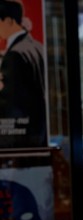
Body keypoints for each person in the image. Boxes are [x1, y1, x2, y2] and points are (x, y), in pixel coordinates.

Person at [0, 0, 47, 148]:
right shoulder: (38, 47)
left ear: (8, 21)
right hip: (37, 138)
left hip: (18, 144)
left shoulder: (15, 54)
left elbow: (10, 104)